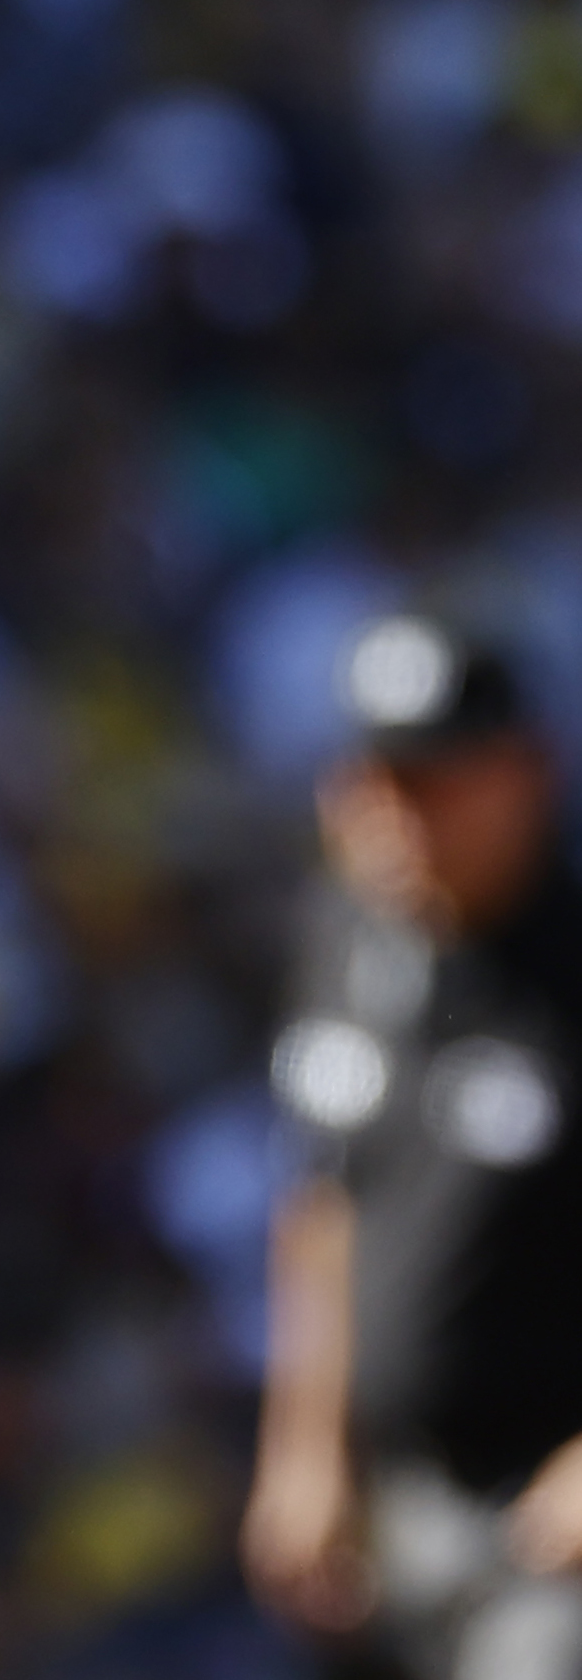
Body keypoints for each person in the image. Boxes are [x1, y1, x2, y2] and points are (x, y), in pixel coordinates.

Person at [244, 612, 582, 1679]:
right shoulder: (346, 942)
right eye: (374, 777)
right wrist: (303, 1451)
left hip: (547, 1518)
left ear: (528, 773)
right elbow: (327, 1202)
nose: (396, 815)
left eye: (436, 781)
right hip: (390, 1510)